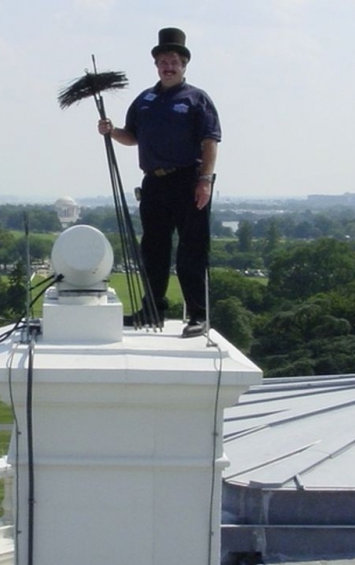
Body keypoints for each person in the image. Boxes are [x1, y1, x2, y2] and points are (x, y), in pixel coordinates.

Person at [98, 27, 220, 338]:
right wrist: (111, 130)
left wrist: (204, 180)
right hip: (154, 184)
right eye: (163, 61)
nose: (168, 66)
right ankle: (152, 309)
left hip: (189, 181)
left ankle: (198, 314)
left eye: (174, 61)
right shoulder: (145, 100)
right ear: (156, 65)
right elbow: (131, 136)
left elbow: (210, 141)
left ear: (184, 65)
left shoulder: (197, 99)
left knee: (191, 251)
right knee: (153, 250)